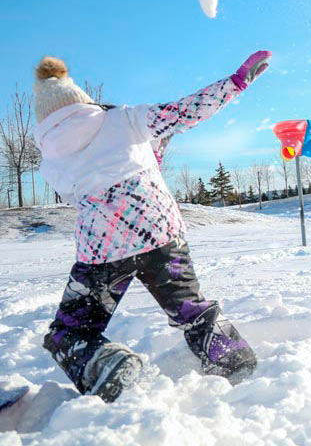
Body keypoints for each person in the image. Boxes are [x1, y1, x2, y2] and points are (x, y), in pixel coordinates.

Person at [34, 51, 271, 402]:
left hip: (103, 247)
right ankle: (234, 361)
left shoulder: (50, 161)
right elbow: (183, 112)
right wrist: (234, 84)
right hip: (160, 230)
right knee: (191, 309)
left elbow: (83, 196)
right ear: (83, 101)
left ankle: (108, 368)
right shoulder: (122, 118)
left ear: (44, 121)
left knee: (68, 332)